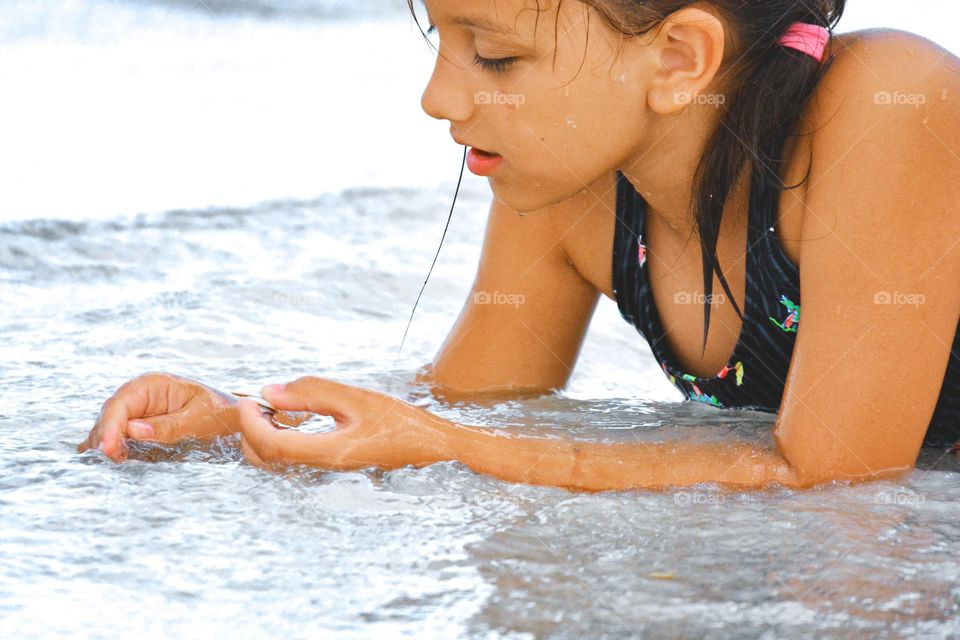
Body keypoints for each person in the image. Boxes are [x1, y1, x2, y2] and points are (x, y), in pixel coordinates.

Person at [77, 0, 960, 492]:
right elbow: (466, 401)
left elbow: (837, 481)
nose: (434, 97)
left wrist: (448, 447)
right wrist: (240, 417)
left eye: (494, 58)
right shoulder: (569, 180)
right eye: (441, 38)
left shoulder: (885, 108)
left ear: (681, 56)